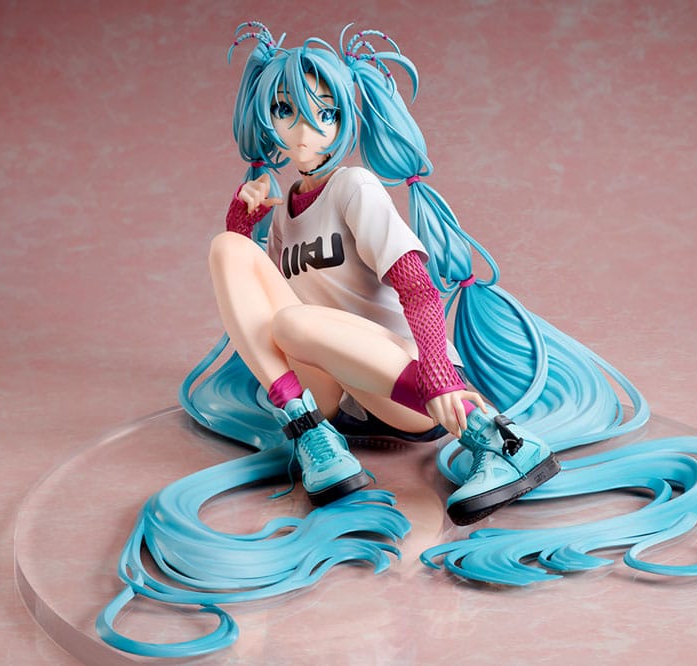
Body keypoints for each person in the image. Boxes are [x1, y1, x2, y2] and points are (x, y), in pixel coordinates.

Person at [206, 22, 560, 525]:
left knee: (294, 324)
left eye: (325, 113)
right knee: (229, 252)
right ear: (267, 118)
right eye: (286, 111)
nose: (305, 131)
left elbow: (416, 284)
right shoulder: (284, 215)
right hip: (341, 399)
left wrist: (439, 374)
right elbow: (255, 309)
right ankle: (310, 433)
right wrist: (243, 225)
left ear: (344, 120)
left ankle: (500, 438)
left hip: (412, 384)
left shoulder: (354, 186)